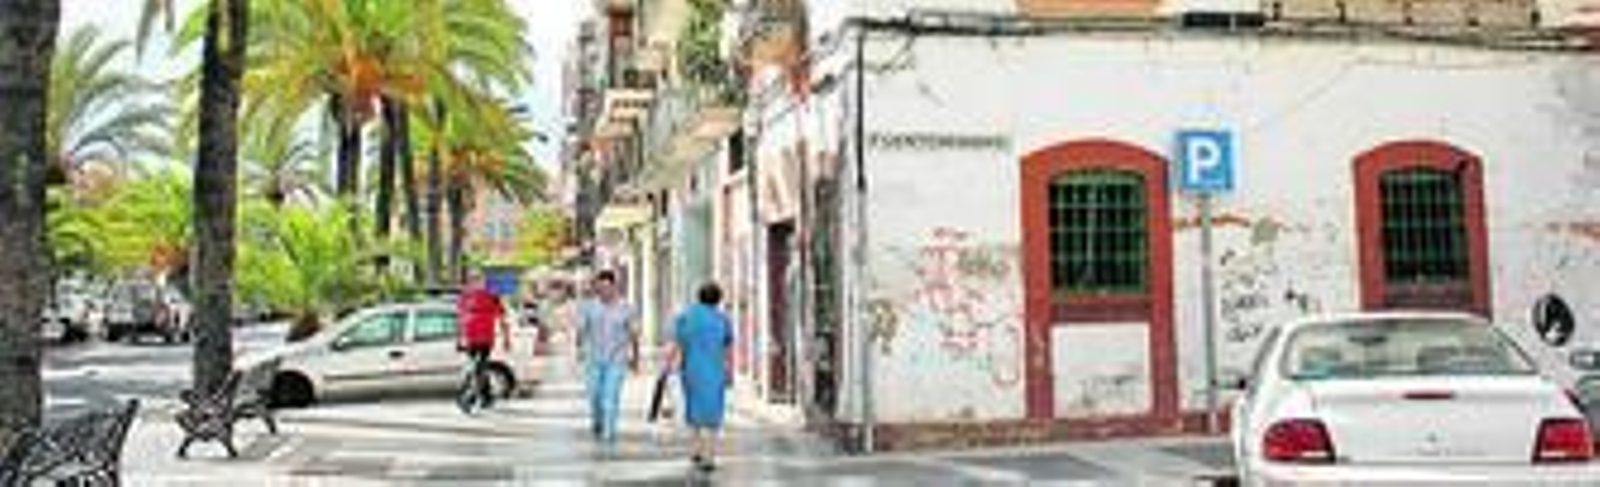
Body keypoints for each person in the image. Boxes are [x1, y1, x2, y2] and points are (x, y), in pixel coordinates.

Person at [669, 282, 734, 472]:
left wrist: (668, 365)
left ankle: (695, 450)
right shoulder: (723, 320)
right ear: (718, 299)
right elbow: (728, 347)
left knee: (694, 410)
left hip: (692, 370)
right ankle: (710, 456)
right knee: (713, 415)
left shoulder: (686, 317)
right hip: (715, 371)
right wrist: (729, 371)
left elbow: (678, 343)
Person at [577, 270, 638, 444]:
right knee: (595, 395)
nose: (604, 291)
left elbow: (633, 334)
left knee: (610, 397)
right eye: (600, 288)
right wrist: (579, 349)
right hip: (594, 359)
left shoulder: (626, 308)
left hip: (616, 359)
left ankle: (608, 432)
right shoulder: (589, 307)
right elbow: (582, 330)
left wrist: (635, 357)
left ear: (614, 286)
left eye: (607, 287)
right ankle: (598, 421)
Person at [458, 271, 511, 407]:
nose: (476, 283)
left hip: (486, 338)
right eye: (473, 280)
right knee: (476, 367)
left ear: (483, 281)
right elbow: (460, 319)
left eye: (478, 280)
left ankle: (477, 395)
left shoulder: (492, 297)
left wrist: (506, 339)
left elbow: (503, 319)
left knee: (480, 365)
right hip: (470, 337)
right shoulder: (465, 296)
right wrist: (459, 338)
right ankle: (484, 396)